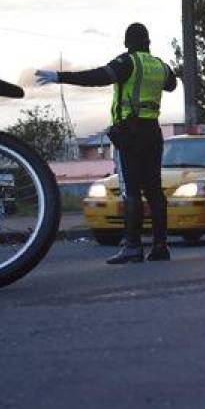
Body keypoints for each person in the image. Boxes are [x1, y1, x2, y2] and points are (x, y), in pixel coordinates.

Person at [35, 22, 178, 263]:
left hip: (130, 132)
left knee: (131, 190)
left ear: (127, 43)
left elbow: (98, 77)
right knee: (154, 191)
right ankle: (160, 246)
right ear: (148, 43)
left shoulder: (128, 62)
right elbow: (172, 84)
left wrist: (60, 76)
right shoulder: (160, 66)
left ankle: (132, 247)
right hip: (153, 132)